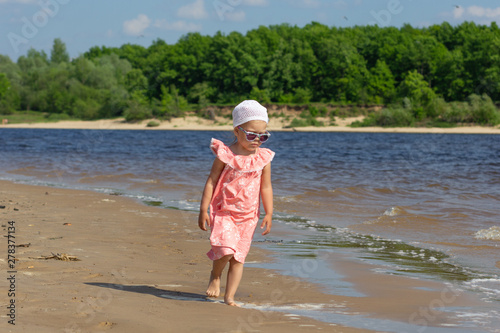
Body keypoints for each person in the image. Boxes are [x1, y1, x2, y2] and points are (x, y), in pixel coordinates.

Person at [198, 100, 275, 307]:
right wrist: (203, 208)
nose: (257, 140)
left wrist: (269, 213)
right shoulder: (226, 154)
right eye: (251, 135)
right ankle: (215, 275)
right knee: (227, 249)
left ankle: (229, 297)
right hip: (224, 212)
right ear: (237, 131)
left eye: (263, 136)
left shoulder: (264, 158)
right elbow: (212, 180)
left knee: (238, 257)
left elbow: (266, 187)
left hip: (249, 216)